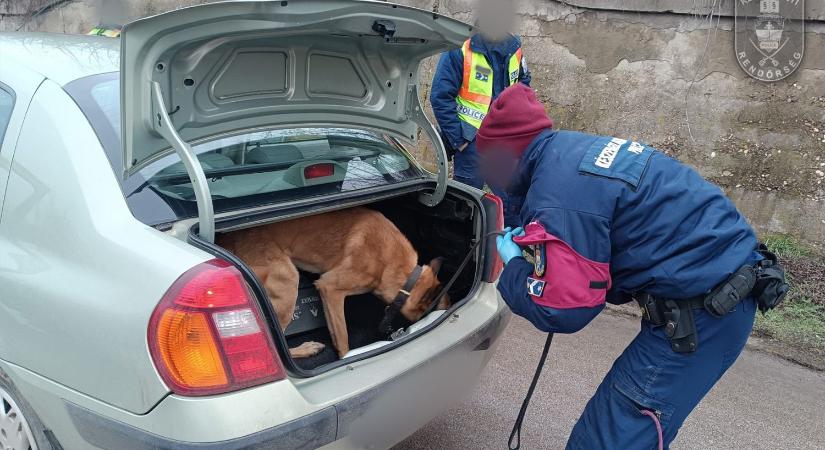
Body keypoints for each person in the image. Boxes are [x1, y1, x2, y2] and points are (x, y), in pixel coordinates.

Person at [476, 84, 787, 449]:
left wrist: (514, 266)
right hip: (725, 286)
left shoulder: (559, 194)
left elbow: (564, 309)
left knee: (607, 438)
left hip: (704, 313)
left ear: (506, 156)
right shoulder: (570, 153)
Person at [430, 0, 530, 227]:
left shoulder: (514, 47)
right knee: (465, 206)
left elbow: (524, 84)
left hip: (503, 142)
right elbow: (440, 96)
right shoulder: (460, 49)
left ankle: (510, 252)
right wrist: (459, 140)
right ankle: (460, 250)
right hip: (471, 142)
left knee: (510, 203)